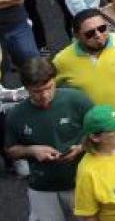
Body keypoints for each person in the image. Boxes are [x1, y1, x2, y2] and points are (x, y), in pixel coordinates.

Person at [3, 57, 93, 221]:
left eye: (49, 88)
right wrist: (32, 150)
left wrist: (82, 147)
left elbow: (102, 133)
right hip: (42, 187)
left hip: (81, 183)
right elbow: (11, 151)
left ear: (54, 80)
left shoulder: (77, 100)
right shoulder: (16, 115)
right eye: (36, 92)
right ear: (26, 88)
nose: (44, 95)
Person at [53, 8, 115, 124]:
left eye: (102, 28)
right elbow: (50, 89)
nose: (98, 35)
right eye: (90, 33)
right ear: (76, 35)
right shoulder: (62, 60)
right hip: (95, 128)